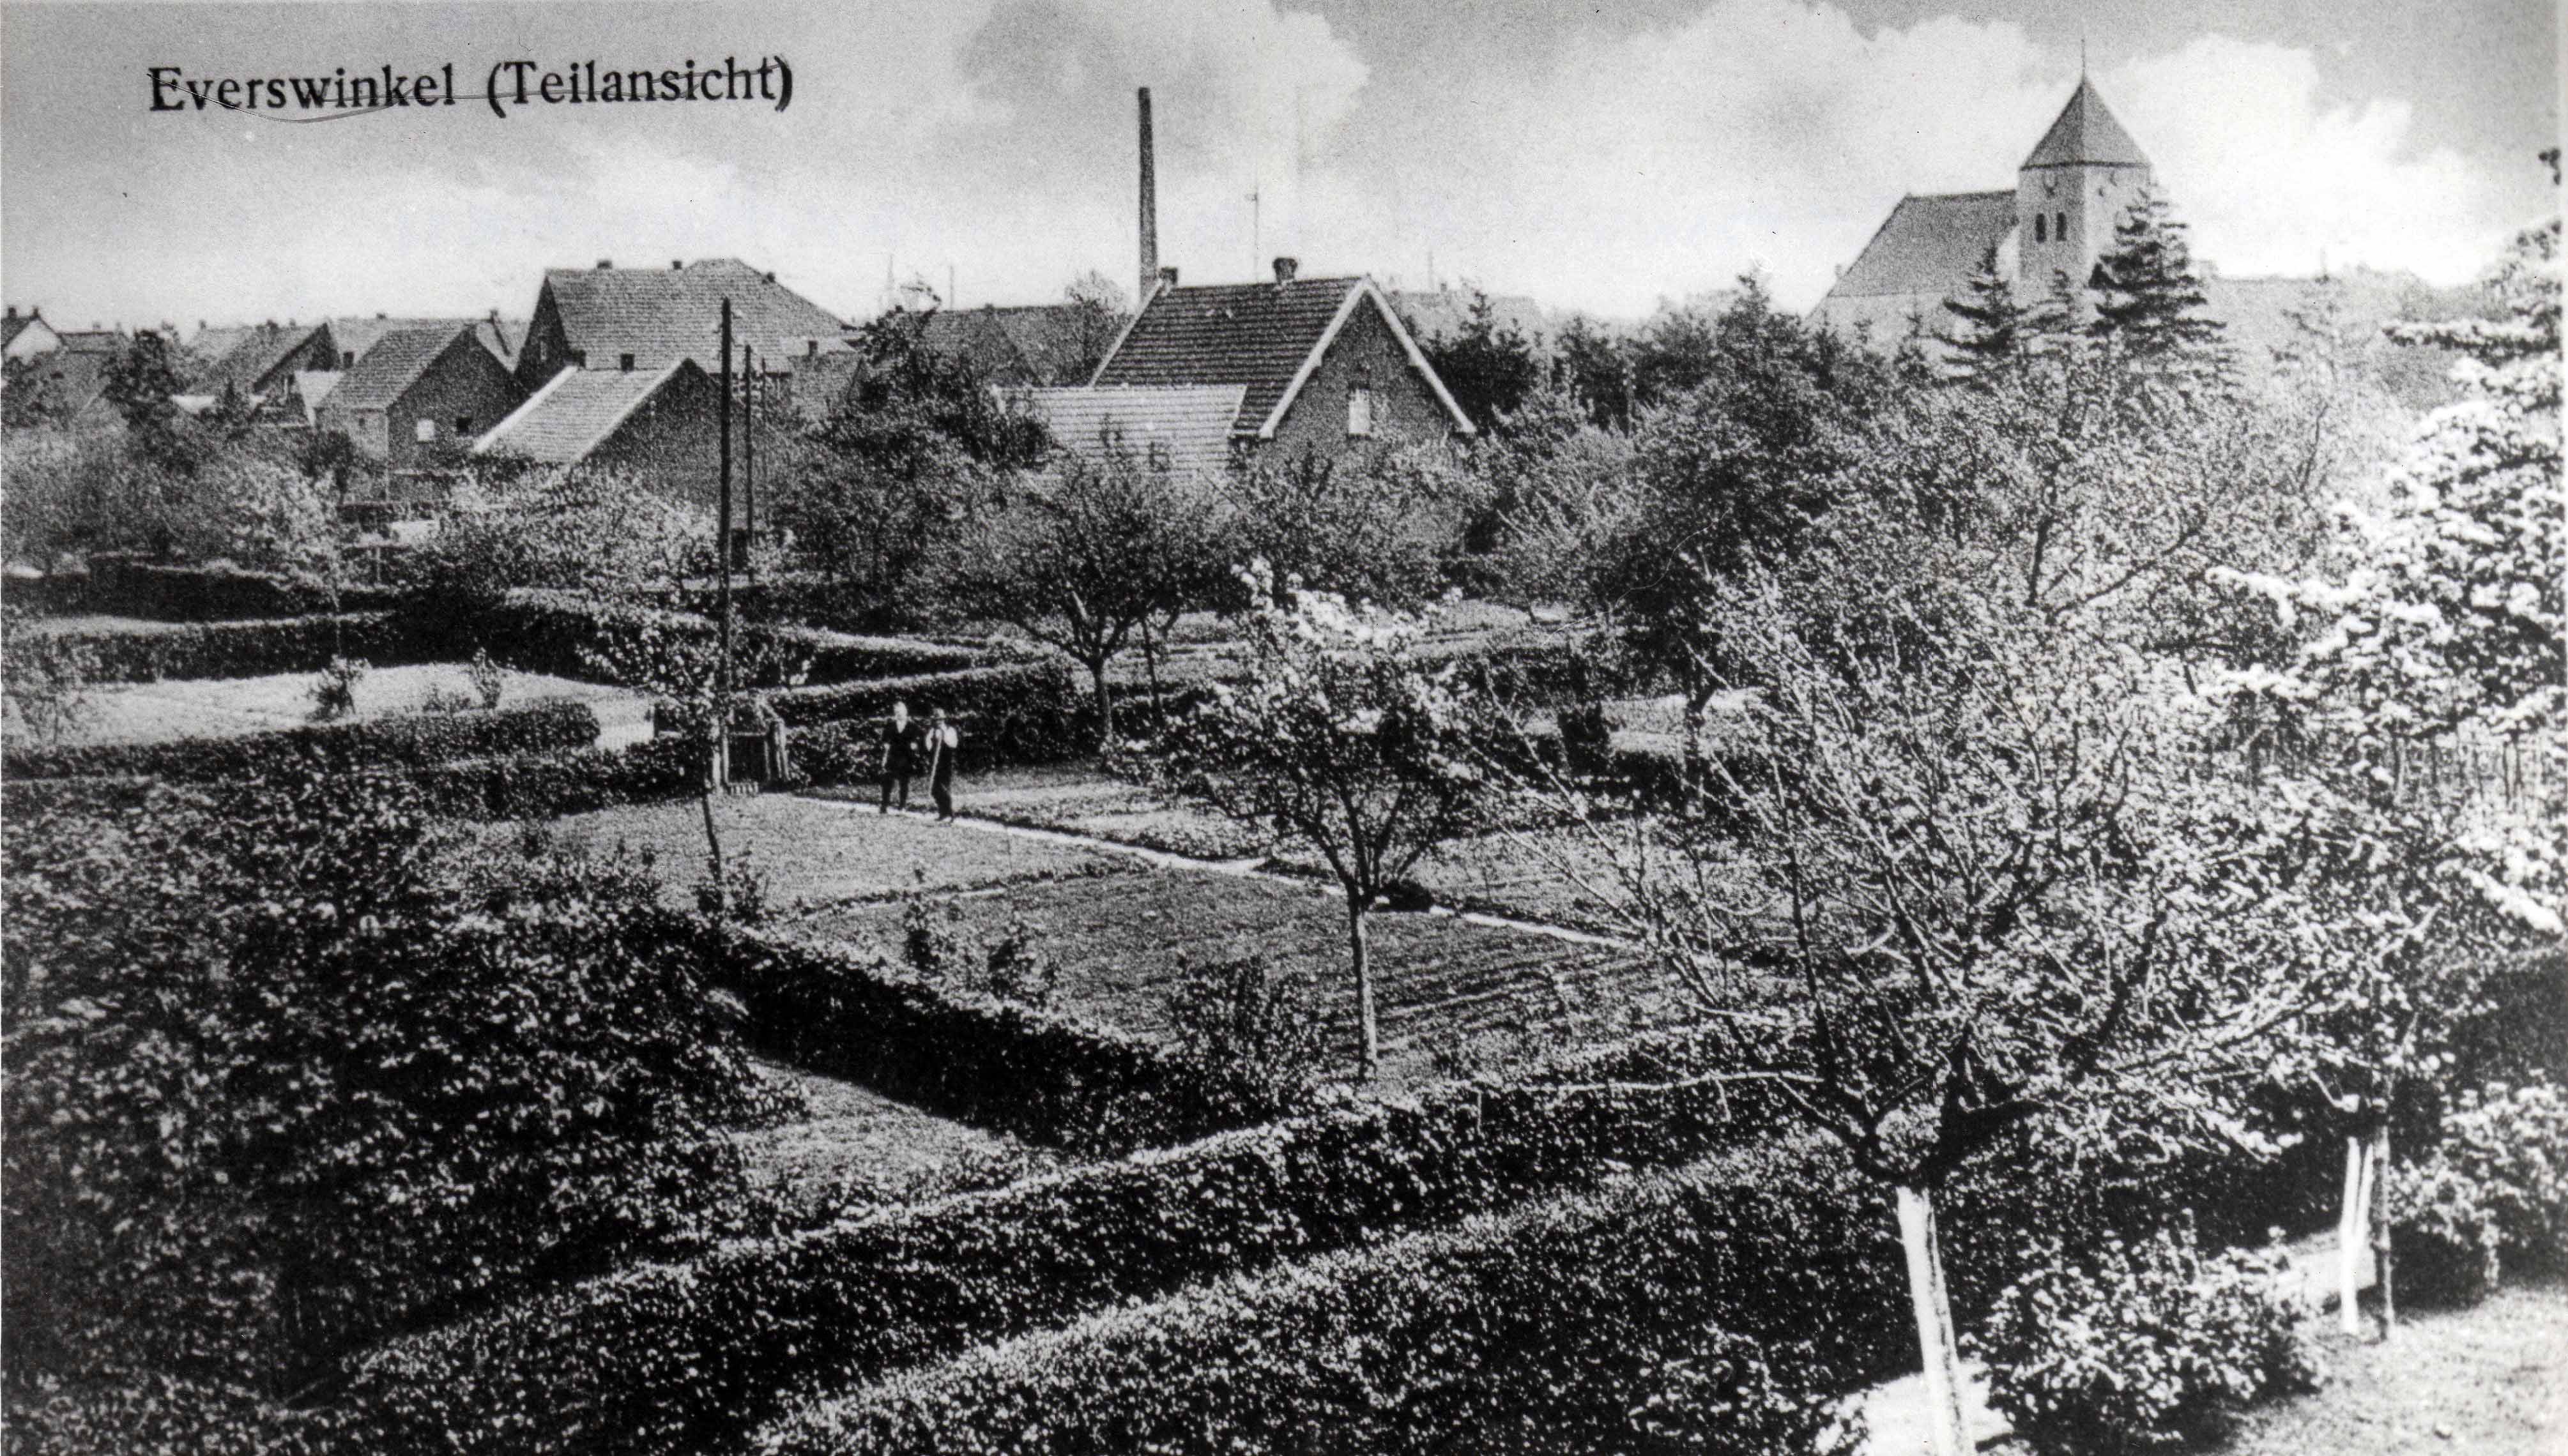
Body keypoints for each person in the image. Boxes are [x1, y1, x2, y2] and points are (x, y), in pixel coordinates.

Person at [878, 701, 922, 813]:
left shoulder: (913, 726)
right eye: (896, 712)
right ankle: (884, 805)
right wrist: (885, 745)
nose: (899, 714)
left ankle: (902, 806)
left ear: (906, 712)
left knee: (904, 782)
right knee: (888, 781)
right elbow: (884, 739)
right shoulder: (890, 725)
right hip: (893, 756)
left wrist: (915, 745)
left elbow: (918, 740)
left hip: (906, 757)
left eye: (901, 712)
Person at [924, 708, 961, 823]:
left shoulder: (950, 730)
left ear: (943, 720)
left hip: (946, 763)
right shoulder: (932, 731)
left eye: (940, 719)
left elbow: (953, 744)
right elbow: (928, 745)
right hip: (936, 763)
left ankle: (951, 811)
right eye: (936, 720)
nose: (938, 722)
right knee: (935, 789)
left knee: (944, 787)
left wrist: (944, 736)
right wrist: (931, 741)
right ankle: (943, 812)